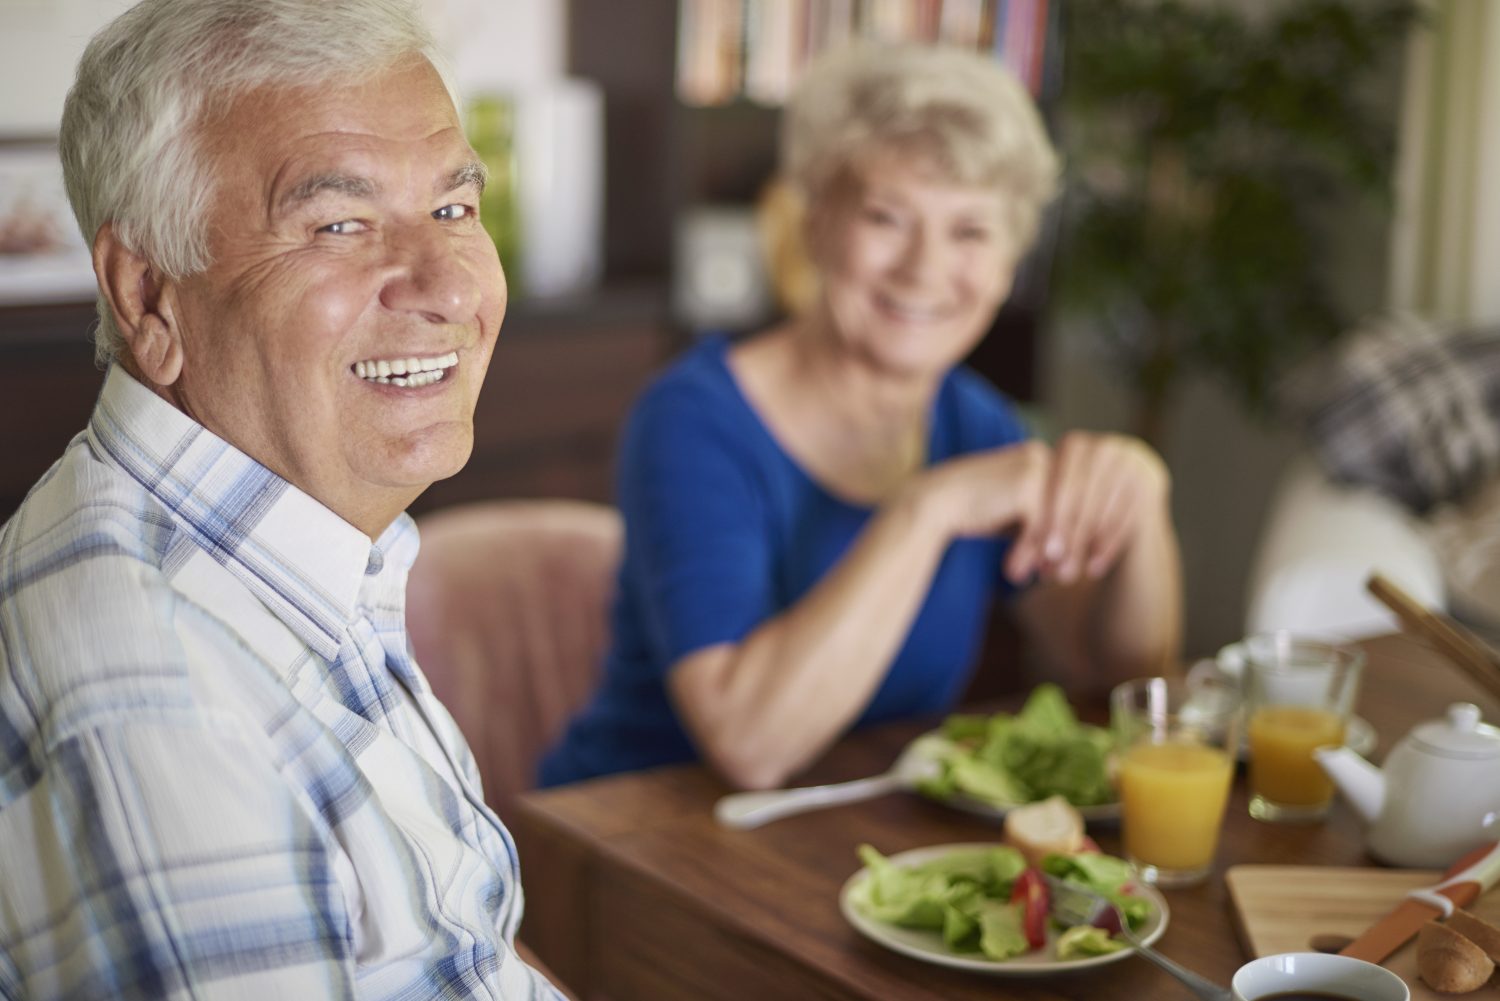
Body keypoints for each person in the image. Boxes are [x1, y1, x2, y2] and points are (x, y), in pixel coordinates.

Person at [0, 1, 563, 997]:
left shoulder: (296, 544)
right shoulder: (157, 697)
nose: (444, 284)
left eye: (453, 207)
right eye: (338, 224)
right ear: (144, 296)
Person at [540, 44, 1182, 792]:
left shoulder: (975, 422)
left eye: (970, 232)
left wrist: (1141, 500)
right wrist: (926, 508)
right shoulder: (691, 420)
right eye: (886, 217)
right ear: (813, 225)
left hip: (850, 839)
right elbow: (751, 743)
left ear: (1009, 264)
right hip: (640, 839)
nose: (924, 269)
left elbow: (1115, 674)